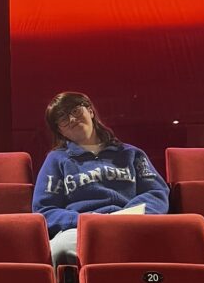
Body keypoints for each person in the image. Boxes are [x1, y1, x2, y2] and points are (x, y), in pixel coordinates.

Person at [32, 92, 169, 266]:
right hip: (81, 229)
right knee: (58, 249)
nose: (72, 119)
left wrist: (128, 215)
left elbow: (157, 192)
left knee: (169, 244)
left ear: (90, 111)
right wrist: (85, 219)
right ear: (60, 130)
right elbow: (44, 209)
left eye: (75, 111)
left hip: (133, 224)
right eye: (63, 119)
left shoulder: (131, 153)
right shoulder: (56, 160)